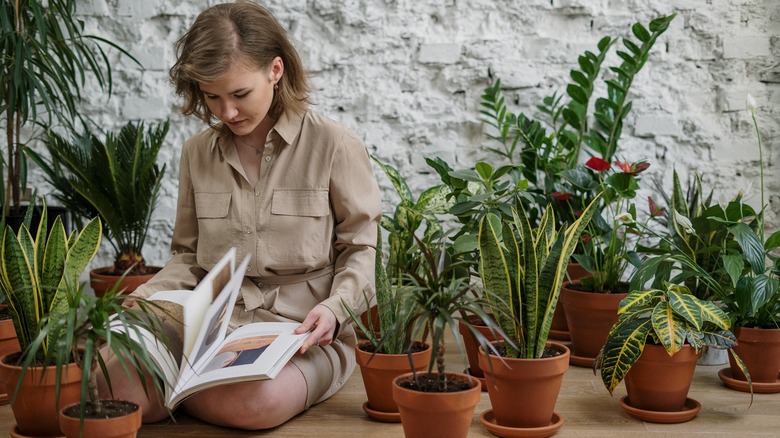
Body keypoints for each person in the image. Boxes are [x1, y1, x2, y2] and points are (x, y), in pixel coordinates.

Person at [99, 0, 381, 430]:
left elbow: (361, 247)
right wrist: (142, 300)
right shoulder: (197, 153)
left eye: (239, 94)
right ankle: (187, 386)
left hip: (302, 334)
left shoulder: (334, 145)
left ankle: (175, 391)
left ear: (275, 70)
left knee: (252, 403)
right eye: (212, 97)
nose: (226, 112)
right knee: (107, 380)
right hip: (209, 324)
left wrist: (335, 309)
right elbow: (188, 257)